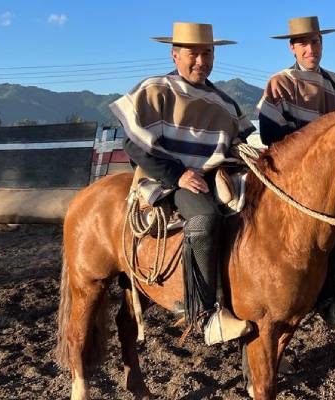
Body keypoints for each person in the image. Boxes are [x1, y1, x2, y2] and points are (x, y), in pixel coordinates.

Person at [110, 22, 255, 345]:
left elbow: (244, 141)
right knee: (205, 218)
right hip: (167, 181)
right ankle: (206, 314)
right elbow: (135, 145)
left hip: (213, 179)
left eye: (207, 53)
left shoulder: (226, 103)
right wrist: (178, 175)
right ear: (175, 55)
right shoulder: (155, 90)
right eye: (193, 53)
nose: (201, 61)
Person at [256, 16, 335, 329]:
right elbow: (269, 133)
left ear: (321, 43)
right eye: (302, 43)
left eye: (315, 41)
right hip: (292, 177)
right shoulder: (280, 82)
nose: (310, 48)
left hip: (330, 178)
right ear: (292, 48)